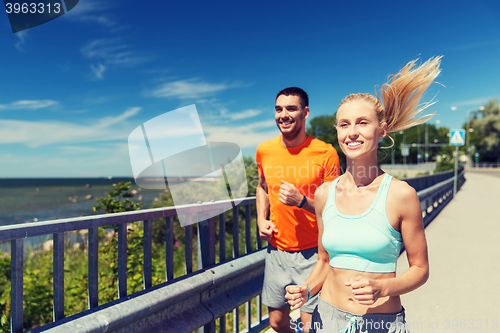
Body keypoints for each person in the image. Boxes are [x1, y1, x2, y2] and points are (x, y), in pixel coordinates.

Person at [284, 57, 442, 333]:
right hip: (326, 319)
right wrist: (306, 289)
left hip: (380, 323)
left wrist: (383, 287)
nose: (352, 132)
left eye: (362, 123)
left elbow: (420, 269)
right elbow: (324, 261)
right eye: (344, 124)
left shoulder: (401, 195)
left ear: (381, 130)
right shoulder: (323, 195)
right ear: (337, 132)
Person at [256, 87, 341, 333]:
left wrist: (302, 201)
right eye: (279, 109)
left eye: (291, 108)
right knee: (277, 323)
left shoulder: (325, 153)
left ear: (305, 113)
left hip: (315, 253)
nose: (283, 114)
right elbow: (262, 187)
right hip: (277, 251)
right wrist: (261, 219)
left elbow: (334, 208)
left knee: (309, 325)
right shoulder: (264, 150)